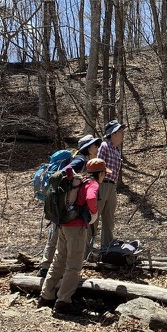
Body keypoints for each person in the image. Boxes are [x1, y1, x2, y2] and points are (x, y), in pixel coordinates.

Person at [38, 158, 104, 314]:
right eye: (103, 174)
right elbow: (90, 198)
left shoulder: (77, 179)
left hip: (63, 226)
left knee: (58, 260)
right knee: (73, 266)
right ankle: (63, 301)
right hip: (77, 229)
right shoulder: (92, 183)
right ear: (100, 173)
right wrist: (94, 214)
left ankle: (45, 297)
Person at [37, 135, 103, 277]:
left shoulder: (82, 160)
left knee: (57, 234)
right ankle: (45, 268)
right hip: (65, 205)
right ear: (88, 148)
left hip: (66, 203)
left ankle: (49, 268)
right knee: (56, 235)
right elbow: (65, 172)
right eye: (94, 146)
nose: (97, 149)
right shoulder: (79, 160)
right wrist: (76, 178)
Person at [96, 119, 125, 250]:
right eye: (120, 131)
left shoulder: (117, 150)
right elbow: (99, 166)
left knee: (109, 219)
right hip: (101, 184)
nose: (122, 134)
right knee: (94, 218)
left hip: (112, 186)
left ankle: (106, 249)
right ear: (112, 133)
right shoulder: (104, 146)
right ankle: (86, 250)